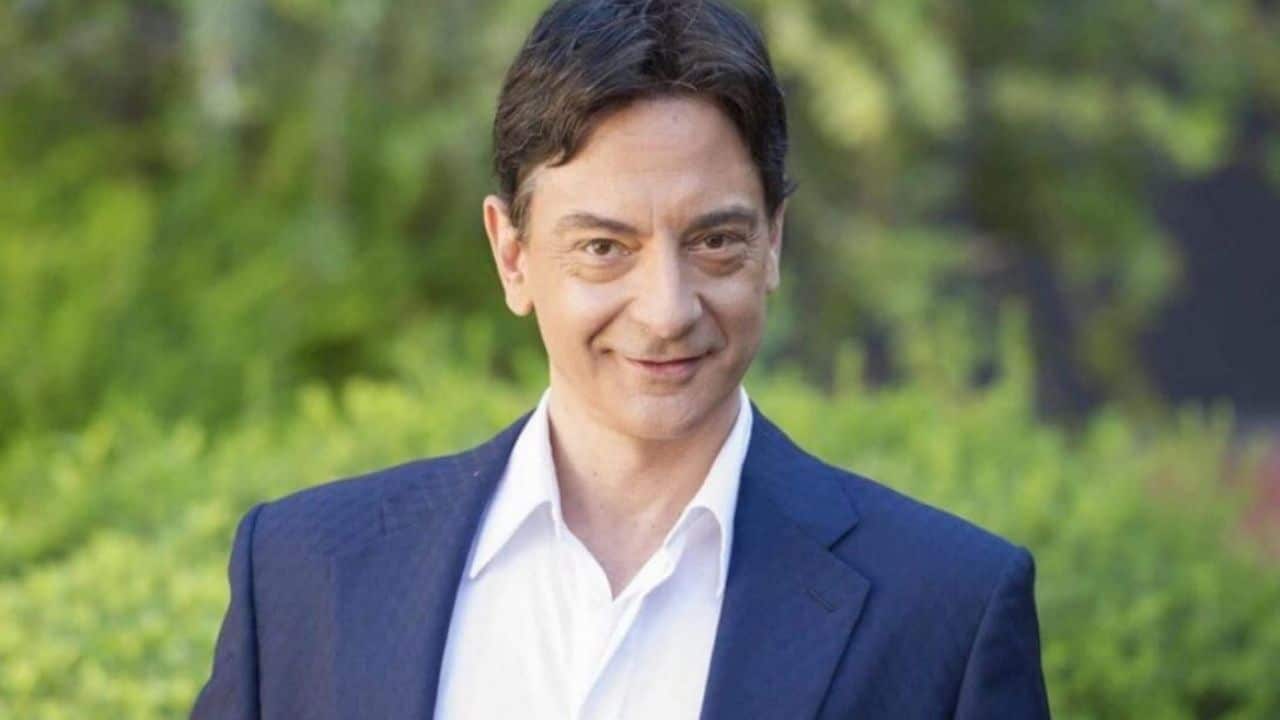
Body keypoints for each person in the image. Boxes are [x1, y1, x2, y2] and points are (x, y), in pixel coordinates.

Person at [192, 0, 1051, 717]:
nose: (667, 311)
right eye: (604, 248)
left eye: (715, 242)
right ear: (512, 255)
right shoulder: (306, 575)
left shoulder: (947, 612)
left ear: (774, 243)